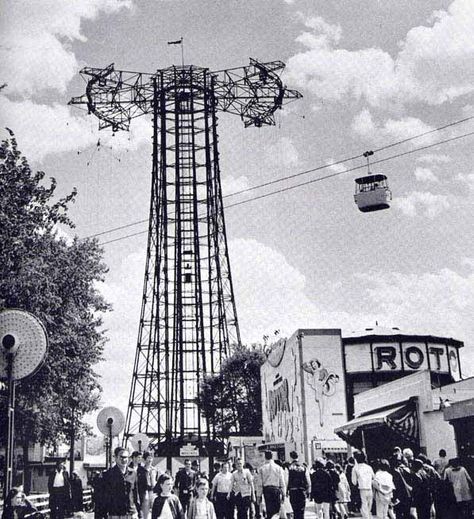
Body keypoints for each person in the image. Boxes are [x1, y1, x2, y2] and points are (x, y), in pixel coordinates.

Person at [103, 446, 139, 519]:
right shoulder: (108, 474)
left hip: (131, 513)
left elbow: (136, 494)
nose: (124, 459)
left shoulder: (133, 473)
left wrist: (139, 512)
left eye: (126, 457)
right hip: (115, 514)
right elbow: (104, 497)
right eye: (121, 457)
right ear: (115, 458)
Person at [259, 451, 285, 519]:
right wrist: (283, 493)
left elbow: (259, 484)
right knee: (277, 510)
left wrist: (259, 495)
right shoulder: (278, 468)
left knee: (269, 510)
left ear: (265, 457)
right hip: (276, 489)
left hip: (267, 490)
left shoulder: (262, 468)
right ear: (272, 456)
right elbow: (282, 481)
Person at [287, 451, 310, 519]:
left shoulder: (289, 467)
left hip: (293, 491)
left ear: (291, 457)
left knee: (294, 510)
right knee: (301, 510)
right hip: (302, 491)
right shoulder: (303, 467)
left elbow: (286, 480)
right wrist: (308, 491)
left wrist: (285, 491)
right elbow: (308, 480)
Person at [351, 452, 374, 519]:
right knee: (369, 508)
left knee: (364, 508)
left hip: (361, 489)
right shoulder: (369, 467)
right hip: (370, 489)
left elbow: (354, 482)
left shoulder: (355, 468)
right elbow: (373, 477)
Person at [138, 451, 158, 519]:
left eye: (151, 458)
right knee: (145, 511)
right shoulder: (140, 470)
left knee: (155, 510)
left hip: (153, 492)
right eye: (148, 458)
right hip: (144, 492)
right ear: (144, 459)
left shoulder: (154, 470)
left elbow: (157, 481)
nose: (150, 460)